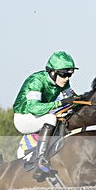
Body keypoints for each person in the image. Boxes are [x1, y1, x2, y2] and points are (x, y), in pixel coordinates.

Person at [12, 51, 78, 179]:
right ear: (52, 72)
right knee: (51, 118)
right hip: (24, 117)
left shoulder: (63, 82)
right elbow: (34, 108)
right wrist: (60, 103)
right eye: (64, 75)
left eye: (70, 75)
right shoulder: (36, 81)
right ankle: (40, 160)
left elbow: (74, 98)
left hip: (39, 117)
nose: (67, 79)